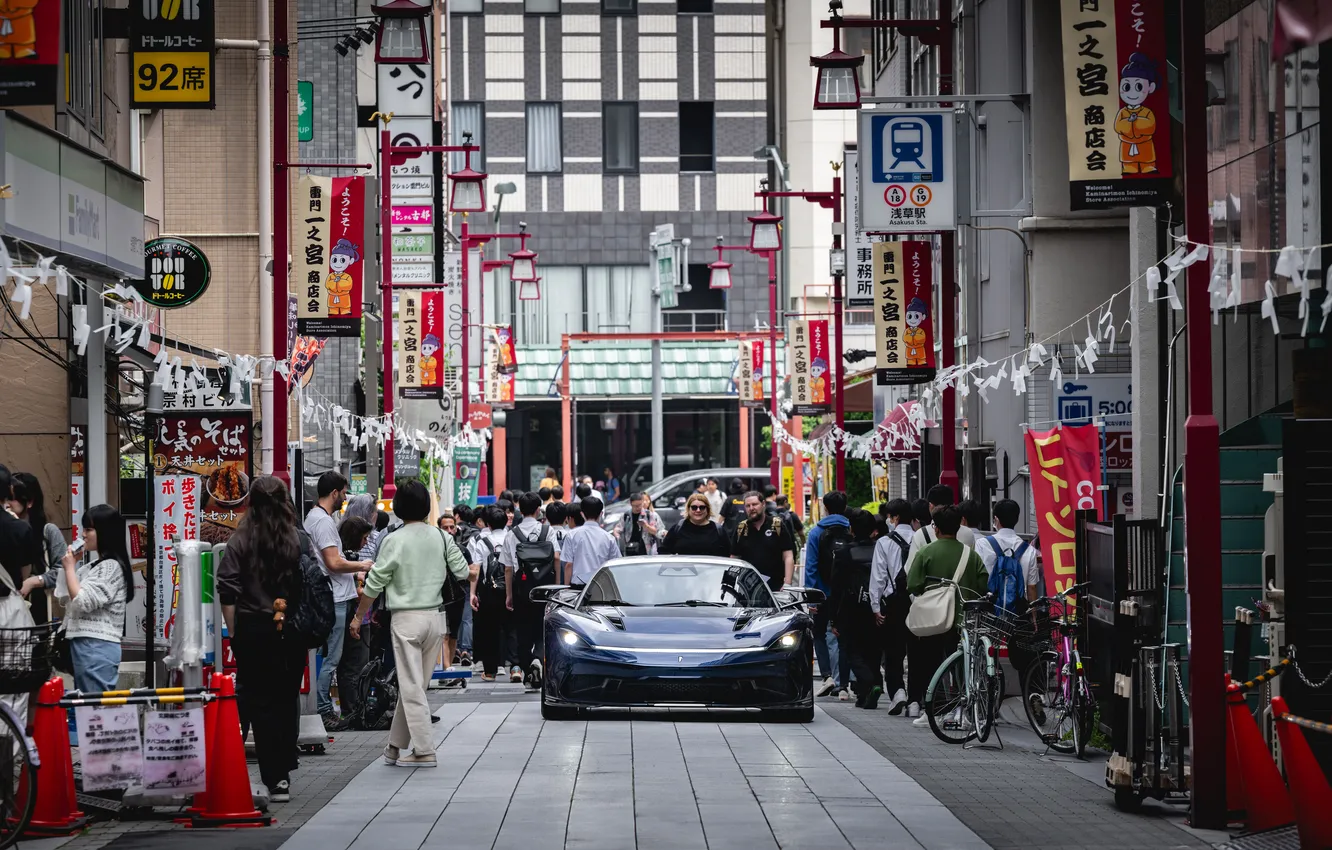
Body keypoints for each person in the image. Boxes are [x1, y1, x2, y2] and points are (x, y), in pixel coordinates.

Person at [352, 480, 472, 766]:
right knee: (415, 685)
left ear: (398, 507)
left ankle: (424, 750)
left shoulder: (394, 540)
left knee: (411, 686)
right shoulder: (442, 537)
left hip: (406, 620)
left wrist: (358, 617)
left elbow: (375, 584)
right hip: (435, 619)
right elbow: (463, 571)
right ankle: (394, 747)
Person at [218, 476, 311, 802]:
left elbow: (227, 586)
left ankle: (225, 770)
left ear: (251, 501)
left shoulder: (241, 538)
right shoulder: (296, 538)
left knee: (249, 698)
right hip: (289, 629)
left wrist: (234, 631)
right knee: (284, 701)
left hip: (253, 629)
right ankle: (280, 777)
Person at [906, 504, 989, 727]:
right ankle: (964, 709)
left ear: (936, 529)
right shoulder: (970, 555)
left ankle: (934, 709)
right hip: (963, 619)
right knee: (963, 663)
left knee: (931, 663)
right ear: (959, 526)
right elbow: (982, 584)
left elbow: (913, 584)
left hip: (934, 619)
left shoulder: (926, 552)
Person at [303, 471, 373, 730]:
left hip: (331, 595)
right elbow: (333, 562)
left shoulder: (316, 518)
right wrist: (361, 564)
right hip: (335, 597)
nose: (345, 498)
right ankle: (323, 710)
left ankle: (322, 707)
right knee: (332, 658)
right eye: (343, 493)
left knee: (327, 657)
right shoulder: (322, 522)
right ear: (334, 493)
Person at [58, 504, 133, 695]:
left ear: (105, 532)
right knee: (89, 711)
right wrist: (71, 565)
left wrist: (69, 568)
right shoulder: (94, 566)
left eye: (89, 529)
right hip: (90, 646)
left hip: (96, 646)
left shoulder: (110, 567)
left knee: (94, 713)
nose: (83, 534)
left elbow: (81, 600)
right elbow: (64, 594)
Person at [827, 510, 882, 709]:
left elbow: (836, 587)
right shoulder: (880, 549)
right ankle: (867, 693)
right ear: (873, 530)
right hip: (877, 607)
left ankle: (868, 683)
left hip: (851, 609)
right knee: (873, 650)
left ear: (851, 529)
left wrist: (833, 617)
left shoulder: (844, 553)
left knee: (852, 651)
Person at [506, 492, 559, 687]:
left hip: (522, 589)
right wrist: (557, 587)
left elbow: (508, 568)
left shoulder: (512, 534)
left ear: (520, 509)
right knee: (543, 628)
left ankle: (528, 669)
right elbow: (556, 558)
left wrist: (509, 595)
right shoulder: (548, 531)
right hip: (545, 589)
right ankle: (539, 657)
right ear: (538, 510)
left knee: (523, 632)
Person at [869, 498, 915, 716]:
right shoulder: (921, 539)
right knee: (916, 651)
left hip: (892, 604)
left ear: (895, 518)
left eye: (889, 516)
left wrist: (875, 606)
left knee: (893, 652)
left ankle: (898, 692)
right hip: (916, 603)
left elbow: (878, 577)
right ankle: (916, 701)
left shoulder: (884, 543)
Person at [804, 491, 850, 697]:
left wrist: (811, 596)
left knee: (819, 634)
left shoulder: (816, 533)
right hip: (846, 594)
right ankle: (844, 685)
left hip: (823, 592)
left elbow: (811, 566)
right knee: (844, 636)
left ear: (826, 507)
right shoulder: (851, 529)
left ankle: (827, 676)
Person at [468, 505, 516, 682]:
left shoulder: (481, 541)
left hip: (489, 591)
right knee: (511, 628)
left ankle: (490, 671)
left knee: (490, 630)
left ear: (487, 524)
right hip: (510, 588)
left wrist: (473, 593)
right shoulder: (513, 538)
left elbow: (476, 568)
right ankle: (516, 668)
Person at [10, 472, 66, 624]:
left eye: (13, 498)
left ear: (30, 502)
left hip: (36, 609)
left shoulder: (47, 531)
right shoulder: (5, 530)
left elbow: (64, 570)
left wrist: (35, 581)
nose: (8, 503)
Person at [904, 486, 975, 579]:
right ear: (953, 505)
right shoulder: (968, 533)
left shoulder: (921, 534)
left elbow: (910, 571)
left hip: (931, 591)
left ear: (931, 506)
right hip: (961, 591)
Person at [978, 498, 1041, 600]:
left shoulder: (982, 544)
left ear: (996, 519)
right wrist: (1033, 615)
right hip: (1017, 611)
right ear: (1016, 519)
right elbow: (1031, 587)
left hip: (989, 610)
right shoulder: (1029, 550)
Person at [730, 491, 793, 591]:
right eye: (748, 506)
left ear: (763, 504)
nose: (751, 508)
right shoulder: (741, 528)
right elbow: (734, 558)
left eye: (755, 504)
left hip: (775, 587)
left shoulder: (777, 525)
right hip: (747, 588)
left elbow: (788, 556)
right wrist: (731, 583)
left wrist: (788, 584)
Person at [558, 497, 621, 587]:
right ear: (601, 513)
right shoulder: (609, 538)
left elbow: (568, 565)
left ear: (582, 514)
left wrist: (566, 589)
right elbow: (615, 564)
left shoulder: (571, 535)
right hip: (601, 586)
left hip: (578, 586)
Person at [660, 493, 731, 557]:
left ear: (707, 509)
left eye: (702, 507)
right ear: (688, 509)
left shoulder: (718, 530)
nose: (698, 510)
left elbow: (728, 554)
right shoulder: (678, 528)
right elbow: (664, 552)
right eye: (694, 507)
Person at [615, 491, 665, 557]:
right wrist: (616, 533)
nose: (638, 508)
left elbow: (657, 531)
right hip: (630, 550)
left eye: (640, 505)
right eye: (635, 506)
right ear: (631, 504)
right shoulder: (626, 516)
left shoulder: (650, 515)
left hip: (646, 551)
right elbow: (618, 529)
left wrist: (646, 526)